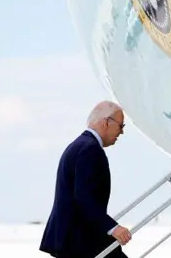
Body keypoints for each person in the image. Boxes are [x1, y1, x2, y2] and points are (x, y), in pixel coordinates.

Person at [39, 100, 132, 258]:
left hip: (78, 236)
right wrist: (112, 228)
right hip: (79, 238)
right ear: (106, 122)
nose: (121, 132)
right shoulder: (90, 149)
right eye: (121, 126)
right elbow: (84, 198)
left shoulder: (80, 145)